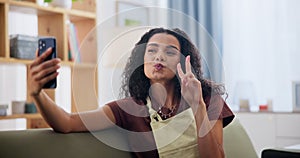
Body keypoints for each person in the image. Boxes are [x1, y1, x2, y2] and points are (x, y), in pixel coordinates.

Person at [29, 27, 234, 158]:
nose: (159, 57)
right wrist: (37, 93)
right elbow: (66, 123)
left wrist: (198, 106)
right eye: (152, 50)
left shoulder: (208, 98)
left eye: (170, 52)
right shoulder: (128, 109)